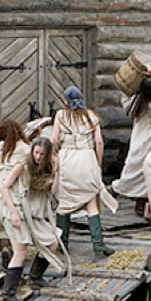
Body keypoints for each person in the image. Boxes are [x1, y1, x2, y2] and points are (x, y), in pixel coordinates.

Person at [50, 86, 114, 255]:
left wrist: (54, 157)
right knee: (91, 201)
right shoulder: (91, 116)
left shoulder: (60, 115)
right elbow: (99, 142)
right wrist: (98, 163)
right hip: (87, 159)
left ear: (66, 101)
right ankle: (98, 243)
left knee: (64, 202)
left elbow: (54, 139)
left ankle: (62, 242)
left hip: (67, 159)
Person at [112, 52, 151, 218]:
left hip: (138, 144)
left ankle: (121, 194)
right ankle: (138, 203)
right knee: (150, 174)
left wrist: (150, 75)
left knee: (135, 172)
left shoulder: (133, 103)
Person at [0, 137, 61, 301]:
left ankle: (34, 277)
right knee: (21, 252)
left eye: (42, 154)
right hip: (18, 211)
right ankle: (8, 293)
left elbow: (54, 191)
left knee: (52, 243)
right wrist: (13, 212)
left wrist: (57, 172)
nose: (38, 157)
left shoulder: (47, 168)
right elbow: (4, 187)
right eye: (36, 152)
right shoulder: (22, 165)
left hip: (34, 215)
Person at [0, 120, 30, 269]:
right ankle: (16, 254)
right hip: (12, 188)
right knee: (14, 219)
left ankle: (5, 247)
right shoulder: (24, 148)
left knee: (1, 221)